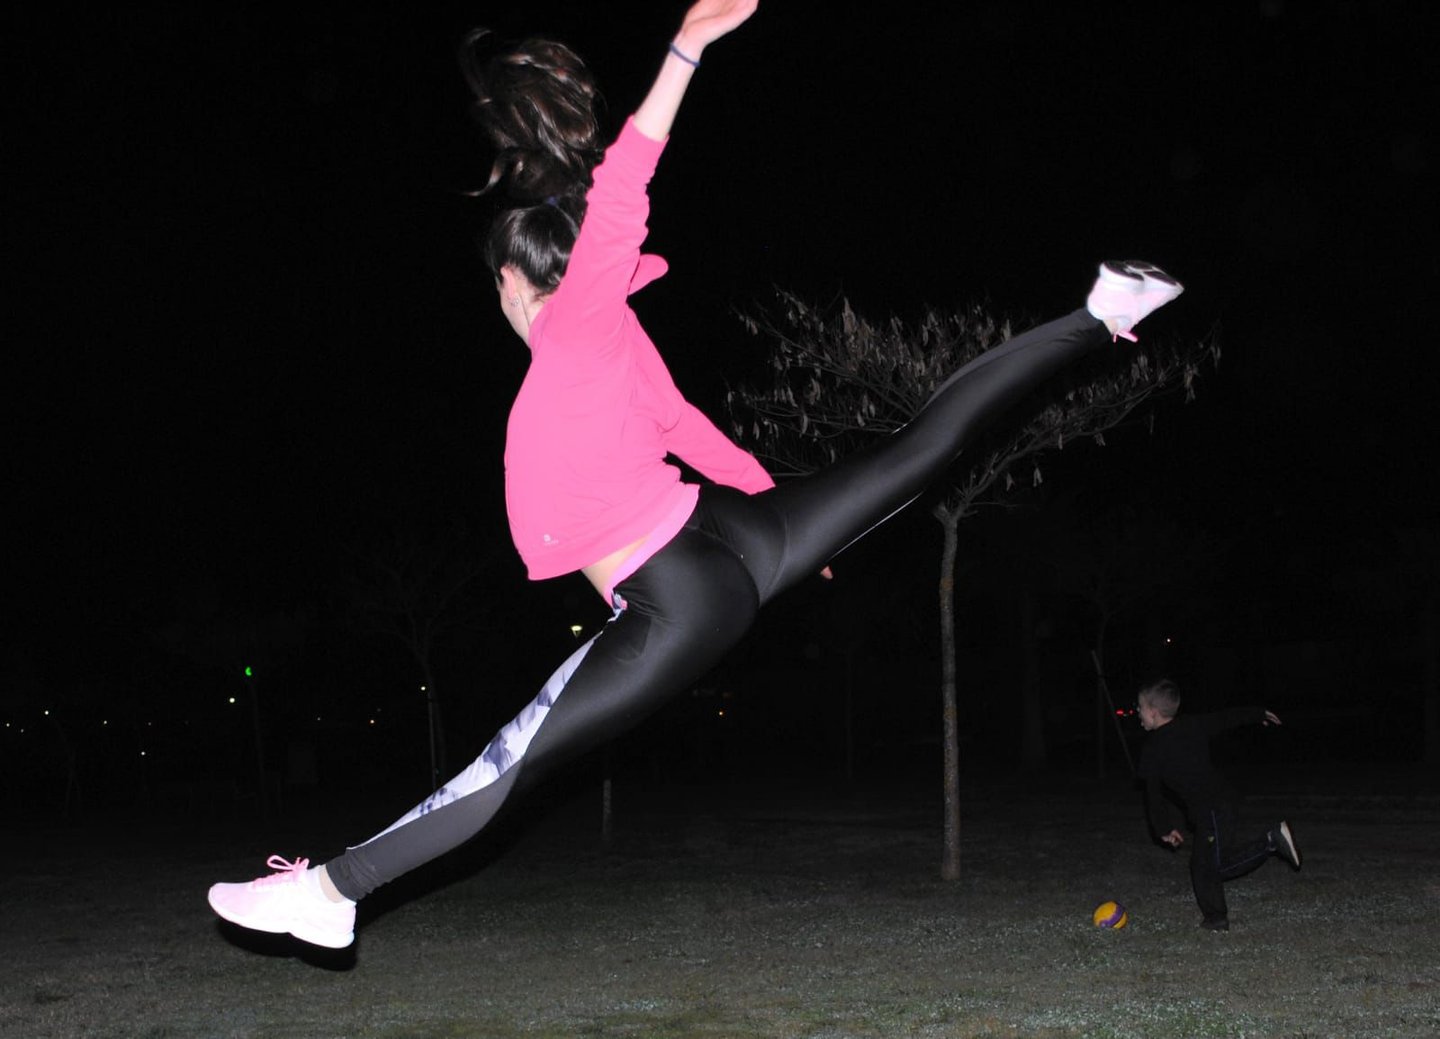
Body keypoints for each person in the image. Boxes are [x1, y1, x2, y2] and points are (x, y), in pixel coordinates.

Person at [208, 0, 1186, 950]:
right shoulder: (617, 338)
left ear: (519, 280)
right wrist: (782, 512)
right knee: (918, 451)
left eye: (497, 281)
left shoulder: (582, 325)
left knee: (511, 761)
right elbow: (680, 424)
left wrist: (683, 49)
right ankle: (1096, 316)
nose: (496, 295)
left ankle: (331, 892)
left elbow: (625, 187)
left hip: (679, 593)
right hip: (740, 540)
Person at [1134, 678, 1302, 932]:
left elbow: (1153, 794)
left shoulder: (1154, 749)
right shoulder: (1191, 725)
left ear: (1154, 713)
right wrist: (1256, 714)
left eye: (1140, 708)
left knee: (1208, 868)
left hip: (1213, 809)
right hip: (1220, 804)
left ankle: (1270, 841)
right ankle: (1216, 918)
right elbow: (1224, 719)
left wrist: (1163, 828)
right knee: (1205, 866)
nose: (1137, 713)